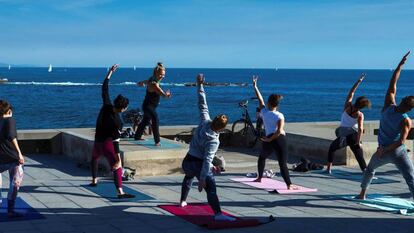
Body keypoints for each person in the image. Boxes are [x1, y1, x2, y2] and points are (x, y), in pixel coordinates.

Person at [357, 51, 414, 200]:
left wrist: (400, 66)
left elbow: (392, 84)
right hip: (397, 152)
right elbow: (401, 141)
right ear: (409, 109)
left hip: (385, 150)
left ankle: (362, 194)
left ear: (402, 101)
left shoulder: (389, 105)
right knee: (410, 178)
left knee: (370, 170)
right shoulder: (407, 120)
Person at [179, 74, 235, 222]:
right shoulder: (214, 141)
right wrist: (203, 179)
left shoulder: (205, 121)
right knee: (211, 188)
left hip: (187, 161)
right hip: (198, 163)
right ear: (222, 129)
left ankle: (183, 201)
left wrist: (200, 84)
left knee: (188, 176)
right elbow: (206, 160)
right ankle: (218, 214)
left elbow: (202, 103)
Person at [90, 64, 135, 199]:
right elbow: (116, 140)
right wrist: (117, 157)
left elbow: (104, 88)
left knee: (94, 158)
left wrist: (110, 72)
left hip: (97, 140)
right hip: (107, 144)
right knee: (117, 166)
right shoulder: (118, 122)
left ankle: (94, 180)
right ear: (123, 108)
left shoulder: (107, 105)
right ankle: (120, 192)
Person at [252, 75, 297, 191]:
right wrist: (270, 139)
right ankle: (289, 184)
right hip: (279, 139)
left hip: (269, 138)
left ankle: (259, 178)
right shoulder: (280, 115)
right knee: (282, 163)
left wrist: (255, 86)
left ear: (269, 103)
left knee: (262, 157)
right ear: (277, 104)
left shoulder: (264, 111)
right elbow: (278, 131)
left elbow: (260, 99)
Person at [326, 74, 371, 173]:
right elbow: (360, 130)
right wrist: (358, 142)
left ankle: (329, 169)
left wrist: (359, 81)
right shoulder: (360, 115)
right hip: (353, 136)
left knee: (332, 148)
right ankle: (365, 171)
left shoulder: (347, 106)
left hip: (343, 134)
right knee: (358, 154)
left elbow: (352, 91)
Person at [134, 62, 171, 146]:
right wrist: (167, 95)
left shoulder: (152, 79)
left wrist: (141, 82)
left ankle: (137, 136)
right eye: (161, 74)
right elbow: (163, 95)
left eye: (164, 75)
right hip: (148, 106)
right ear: (156, 73)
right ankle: (157, 141)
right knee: (155, 119)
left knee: (145, 121)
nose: (163, 76)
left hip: (149, 106)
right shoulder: (154, 84)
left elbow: (146, 81)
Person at [0, 100, 25, 217]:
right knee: (15, 182)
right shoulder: (10, 120)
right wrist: (19, 154)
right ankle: (10, 210)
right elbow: (12, 137)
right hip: (11, 155)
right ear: (9, 111)